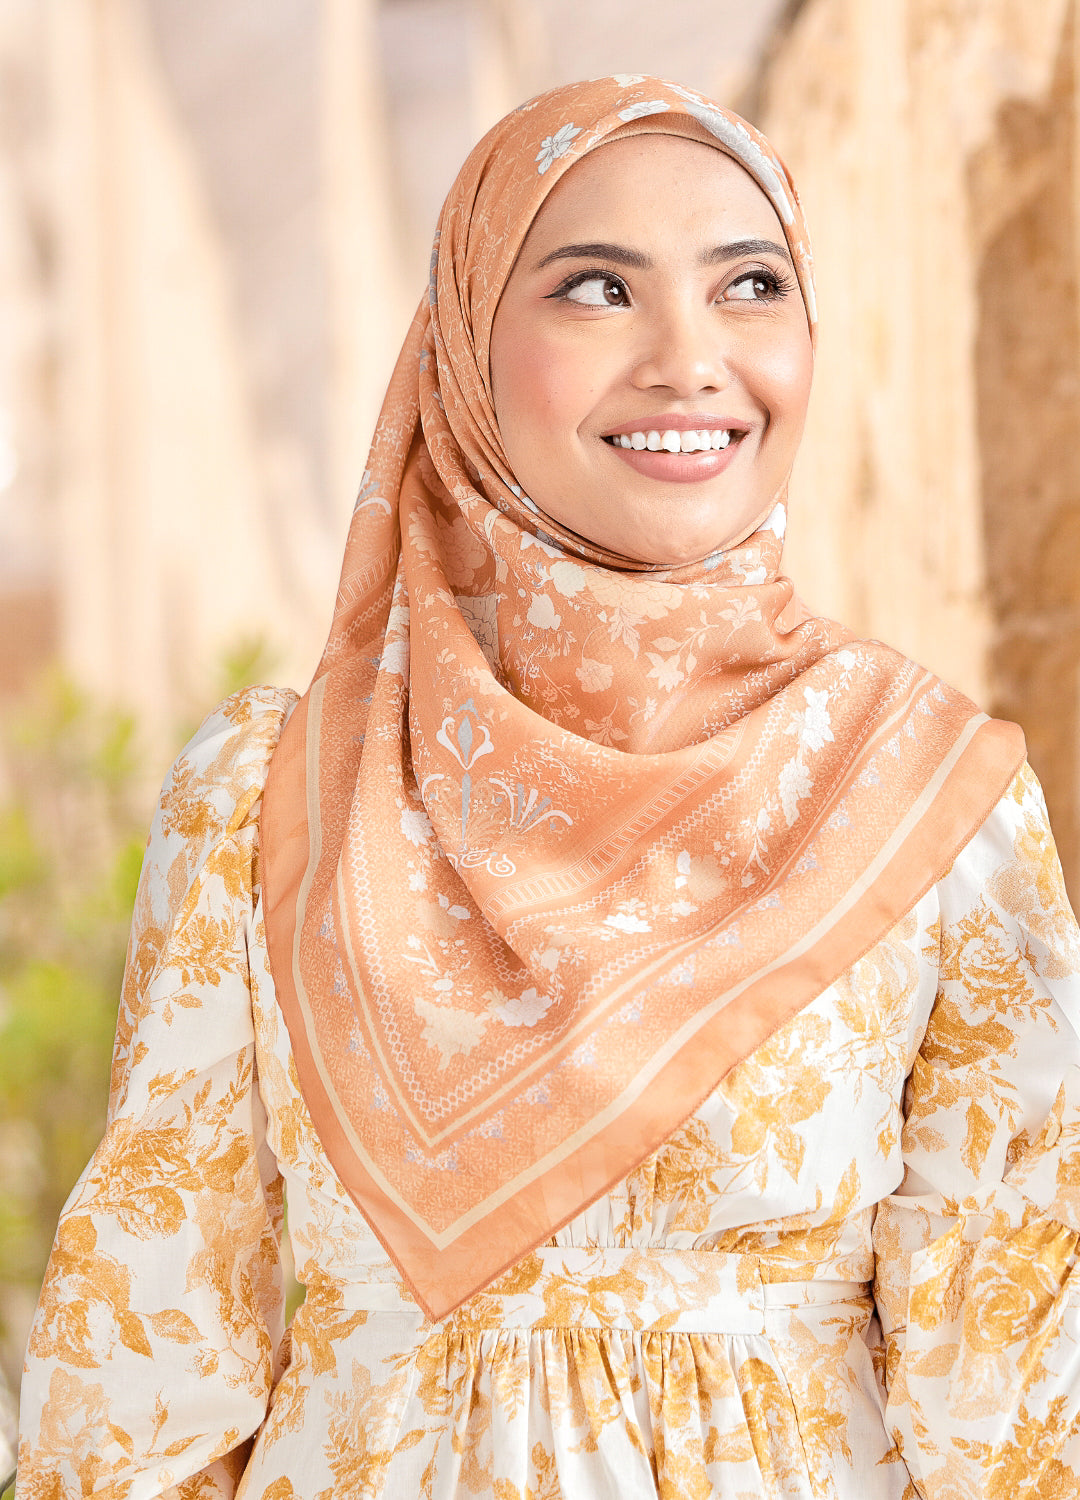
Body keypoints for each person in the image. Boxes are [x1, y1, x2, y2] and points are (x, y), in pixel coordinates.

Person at [15, 75, 1080, 1500]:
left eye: (750, 285)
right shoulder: (273, 793)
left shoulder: (928, 799)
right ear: (463, 340)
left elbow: (1017, 1404)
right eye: (596, 289)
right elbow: (138, 1383)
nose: (689, 359)